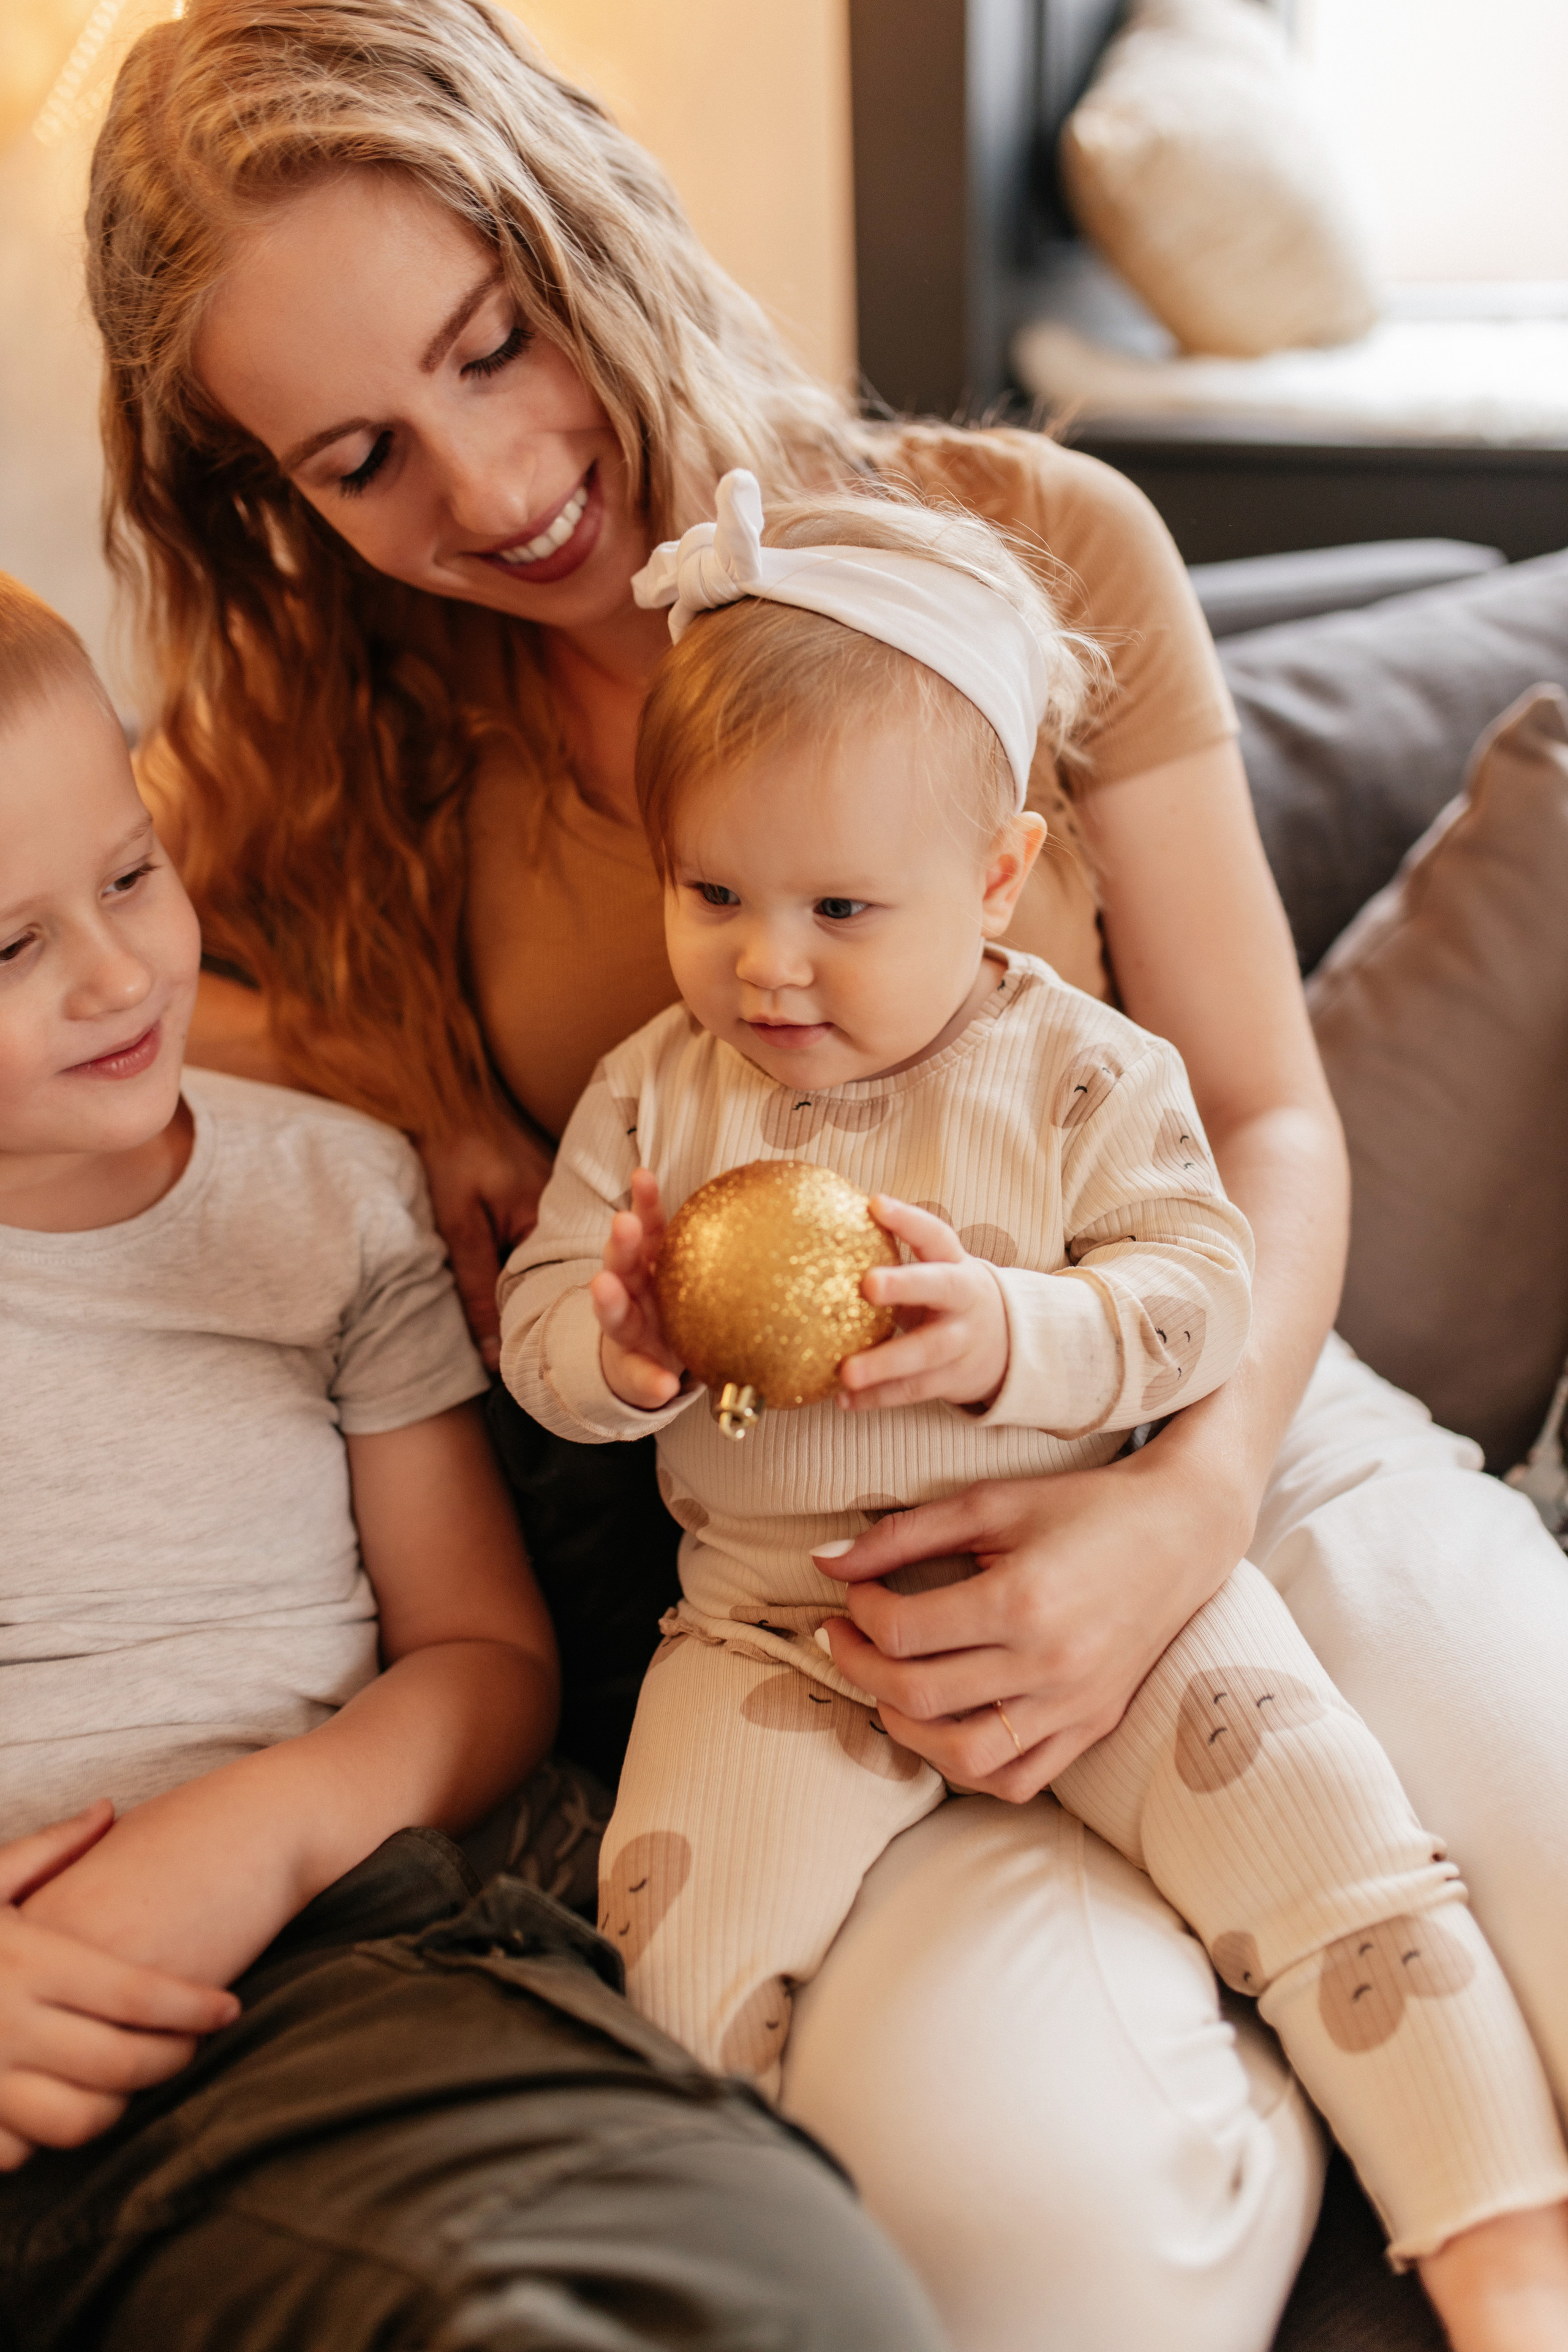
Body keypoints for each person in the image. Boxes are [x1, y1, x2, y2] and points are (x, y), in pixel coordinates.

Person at [81, 2, 1568, 2343]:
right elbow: (88, 968)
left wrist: (1187, 1502)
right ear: (272, 490)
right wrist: (403, 1064)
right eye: (362, 453)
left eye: (498, 343)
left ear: (583, 215)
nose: (482, 487)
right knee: (1020, 2223)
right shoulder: (322, 754)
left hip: (1227, 1433)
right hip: (835, 1589)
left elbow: (1268, 1117)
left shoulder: (1034, 540)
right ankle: (1265, 1997)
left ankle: (1333, 1955)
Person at [497, 470, 1568, 2331]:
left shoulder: (1075, 1071)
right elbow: (536, 1336)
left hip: (1125, 1567)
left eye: (843, 905)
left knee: (1343, 1870)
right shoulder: (656, 1096)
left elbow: (1199, 1290)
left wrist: (1013, 1331)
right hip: (779, 1632)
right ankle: (705, 2277)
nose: (770, 961)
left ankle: (1502, 2249)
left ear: (997, 879)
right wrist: (619, 1354)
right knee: (666, 1959)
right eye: (713, 894)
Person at [0, 571, 946, 2352]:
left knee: (745, 2287)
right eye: (9, 948)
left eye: (131, 874)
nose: (123, 974)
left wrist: (253, 1845)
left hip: (304, 1997)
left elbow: (486, 1661)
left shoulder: (330, 1199)